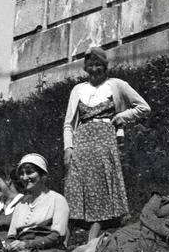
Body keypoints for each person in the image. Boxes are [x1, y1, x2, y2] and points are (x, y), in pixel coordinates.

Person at [62, 48, 150, 238]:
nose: (95, 69)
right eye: (91, 65)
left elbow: (143, 107)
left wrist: (121, 116)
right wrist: (68, 147)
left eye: (98, 65)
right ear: (86, 68)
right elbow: (69, 123)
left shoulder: (116, 85)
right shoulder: (78, 90)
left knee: (100, 185)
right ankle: (66, 238)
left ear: (105, 66)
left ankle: (92, 239)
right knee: (74, 185)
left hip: (105, 139)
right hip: (82, 140)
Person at [1, 155, 69, 252]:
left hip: (49, 251)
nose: (24, 177)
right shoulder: (20, 204)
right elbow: (11, 236)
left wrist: (27, 244)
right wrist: (10, 246)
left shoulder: (57, 199)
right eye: (22, 174)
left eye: (29, 172)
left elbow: (57, 236)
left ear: (43, 174)